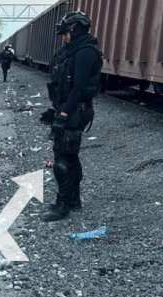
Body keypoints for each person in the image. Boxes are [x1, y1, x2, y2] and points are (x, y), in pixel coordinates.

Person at [40, 11, 102, 222]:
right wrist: (53, 109)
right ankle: (74, 200)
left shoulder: (85, 52)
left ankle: (62, 205)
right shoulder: (75, 51)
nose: (64, 37)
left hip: (76, 110)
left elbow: (78, 87)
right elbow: (63, 87)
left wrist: (63, 114)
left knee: (62, 158)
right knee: (71, 156)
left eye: (65, 33)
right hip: (71, 108)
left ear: (74, 30)